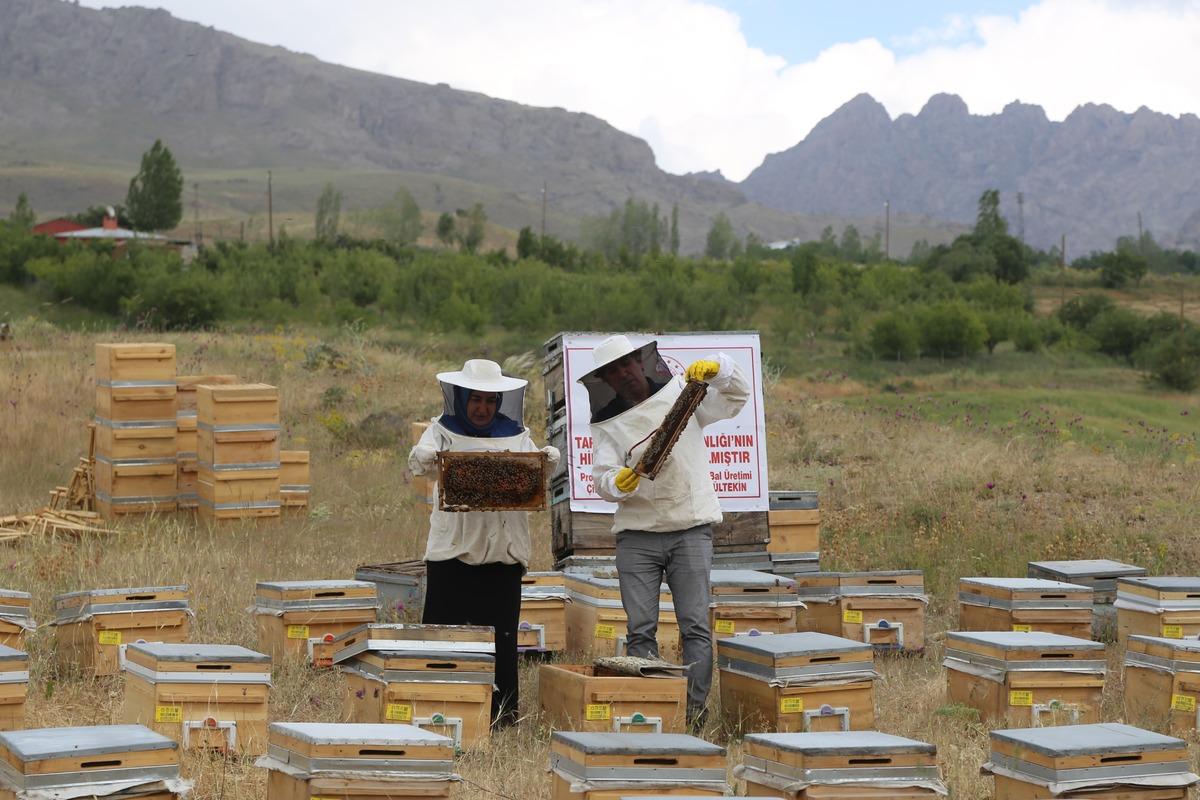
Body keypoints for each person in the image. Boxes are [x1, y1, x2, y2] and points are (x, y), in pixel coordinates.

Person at [581, 335, 749, 726]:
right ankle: (653, 711)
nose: (624, 374)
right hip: (636, 537)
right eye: (614, 371)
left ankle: (693, 714)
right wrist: (614, 483)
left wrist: (720, 366)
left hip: (690, 529)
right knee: (640, 630)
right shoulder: (608, 425)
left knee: (695, 626)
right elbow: (601, 477)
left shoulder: (682, 393)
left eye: (628, 365)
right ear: (606, 380)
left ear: (642, 362)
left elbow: (735, 398)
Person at [408, 358, 559, 729]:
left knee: (503, 642)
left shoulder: (517, 436)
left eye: (490, 401)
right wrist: (425, 457)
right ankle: (437, 712)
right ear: (460, 398)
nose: (482, 408)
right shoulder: (440, 431)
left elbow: (535, 472)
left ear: (500, 403)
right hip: (453, 555)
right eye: (475, 400)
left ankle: (502, 718)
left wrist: (546, 463)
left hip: (503, 556)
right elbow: (419, 463)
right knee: (443, 640)